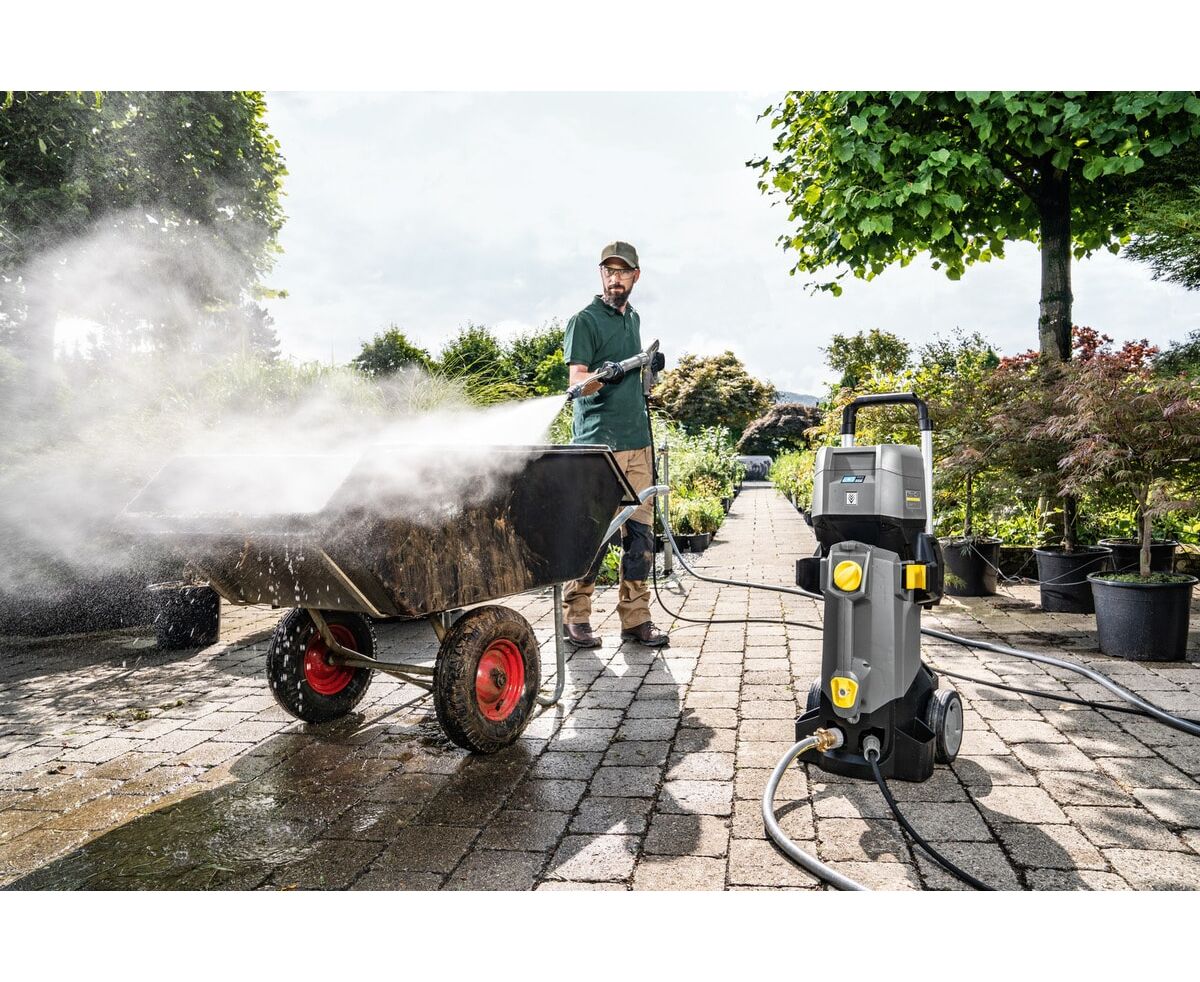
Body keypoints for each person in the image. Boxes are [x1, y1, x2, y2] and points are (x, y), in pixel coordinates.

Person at [561, 240, 668, 648]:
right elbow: (577, 382)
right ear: (601, 274)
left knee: (639, 535)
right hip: (597, 447)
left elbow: (637, 378)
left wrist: (648, 367)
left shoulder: (633, 318)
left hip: (637, 443)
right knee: (594, 534)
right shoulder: (584, 321)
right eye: (609, 271)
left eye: (622, 271)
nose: (615, 278)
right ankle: (576, 617)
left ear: (635, 276)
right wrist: (603, 376)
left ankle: (636, 619)